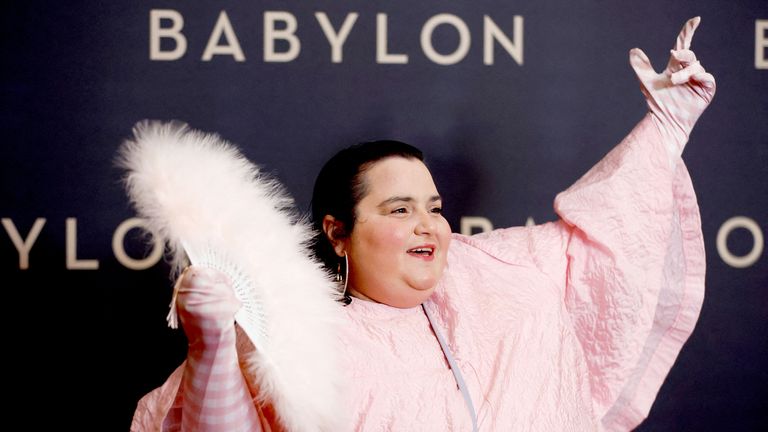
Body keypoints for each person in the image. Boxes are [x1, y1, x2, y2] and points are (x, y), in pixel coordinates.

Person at [131, 17, 714, 432]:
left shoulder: (500, 267)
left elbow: (600, 242)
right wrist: (209, 348)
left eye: (433, 207)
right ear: (338, 232)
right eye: (399, 210)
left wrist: (665, 129)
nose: (428, 226)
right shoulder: (298, 341)